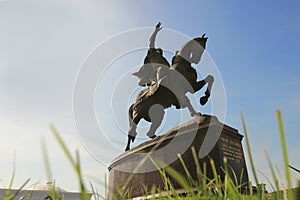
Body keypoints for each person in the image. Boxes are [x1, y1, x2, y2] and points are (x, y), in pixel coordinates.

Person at [132, 22, 170, 86]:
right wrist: (156, 31)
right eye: (158, 50)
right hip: (152, 74)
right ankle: (157, 83)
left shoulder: (163, 59)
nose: (159, 51)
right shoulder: (153, 53)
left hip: (164, 73)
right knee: (160, 69)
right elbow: (151, 41)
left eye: (160, 51)